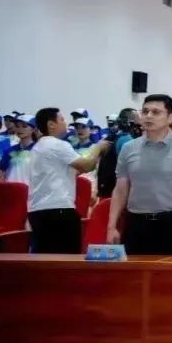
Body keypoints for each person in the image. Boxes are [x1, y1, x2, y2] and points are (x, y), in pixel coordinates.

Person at [107, 94, 172, 255]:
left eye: (156, 112)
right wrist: (111, 226)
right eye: (145, 112)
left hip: (171, 223)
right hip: (136, 223)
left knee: (170, 271)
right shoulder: (128, 148)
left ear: (170, 117)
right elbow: (120, 190)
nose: (149, 116)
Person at [27, 108, 110, 253]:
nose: (65, 123)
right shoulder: (57, 144)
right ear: (51, 125)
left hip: (37, 210)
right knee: (66, 257)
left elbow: (72, 171)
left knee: (44, 256)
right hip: (58, 210)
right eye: (62, 120)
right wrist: (98, 147)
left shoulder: (38, 147)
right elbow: (87, 165)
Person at [0, 113, 35, 184]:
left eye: (24, 126)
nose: (20, 129)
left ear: (33, 129)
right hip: (11, 189)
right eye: (17, 126)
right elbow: (1, 172)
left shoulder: (38, 150)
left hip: (31, 190)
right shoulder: (9, 151)